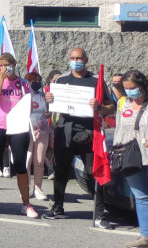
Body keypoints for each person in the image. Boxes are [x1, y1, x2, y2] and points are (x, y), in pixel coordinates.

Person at [43, 47, 114, 228]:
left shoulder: (96, 80)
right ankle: (58, 207)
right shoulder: (61, 79)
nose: (76, 60)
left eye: (79, 58)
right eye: (73, 58)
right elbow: (49, 106)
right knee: (60, 171)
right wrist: (48, 99)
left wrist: (99, 107)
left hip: (89, 132)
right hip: (64, 130)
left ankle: (99, 213)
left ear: (86, 59)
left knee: (94, 172)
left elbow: (110, 107)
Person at [0, 53, 38, 218]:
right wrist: (1, 81)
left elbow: (29, 106)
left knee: (20, 164)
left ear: (14, 64)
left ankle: (26, 204)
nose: (5, 68)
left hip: (18, 127)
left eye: (8, 65)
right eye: (2, 65)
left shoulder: (23, 83)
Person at [113, 70, 148, 247]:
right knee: (141, 196)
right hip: (131, 156)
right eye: (126, 89)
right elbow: (118, 127)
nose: (129, 92)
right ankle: (145, 236)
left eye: (132, 88)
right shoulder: (122, 103)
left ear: (141, 85)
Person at [25, 71, 51, 201]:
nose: (36, 84)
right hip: (26, 130)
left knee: (39, 161)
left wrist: (48, 113)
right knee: (27, 161)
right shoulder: (24, 96)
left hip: (42, 131)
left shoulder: (44, 97)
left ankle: (38, 188)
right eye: (33, 81)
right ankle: (27, 187)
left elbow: (48, 114)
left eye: (38, 81)